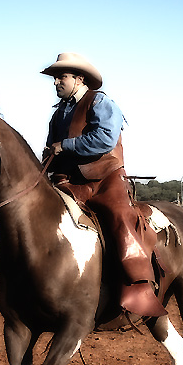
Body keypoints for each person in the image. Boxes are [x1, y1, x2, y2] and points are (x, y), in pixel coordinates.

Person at [40, 52, 167, 318]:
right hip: (70, 182)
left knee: (121, 217)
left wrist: (66, 145)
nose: (55, 83)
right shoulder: (59, 113)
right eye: (55, 78)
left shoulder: (100, 102)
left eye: (61, 77)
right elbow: (53, 149)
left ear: (79, 78)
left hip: (105, 180)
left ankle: (140, 286)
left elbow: (105, 139)